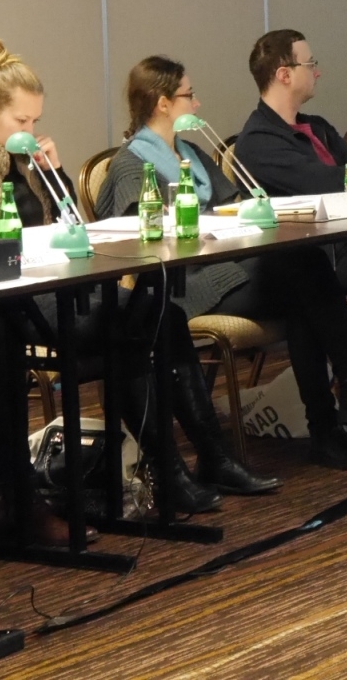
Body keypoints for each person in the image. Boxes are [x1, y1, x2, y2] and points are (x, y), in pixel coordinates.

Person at [0, 41, 260, 527]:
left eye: (36, 120)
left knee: (160, 311)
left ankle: (211, 455)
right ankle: (167, 471)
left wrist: (54, 173)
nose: (29, 130)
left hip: (50, 285)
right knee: (125, 322)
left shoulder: (24, 164)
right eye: (20, 121)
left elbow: (74, 230)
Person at [88, 55, 281, 493]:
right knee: (299, 277)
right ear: (162, 103)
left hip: (222, 264)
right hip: (184, 284)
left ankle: (335, 416)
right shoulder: (133, 164)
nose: (197, 103)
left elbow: (234, 207)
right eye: (188, 95)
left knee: (302, 268)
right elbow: (137, 241)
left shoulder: (190, 153)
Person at [233, 29, 347, 467]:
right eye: (310, 64)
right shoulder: (257, 141)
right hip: (265, 269)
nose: (318, 72)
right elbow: (328, 182)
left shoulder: (316, 127)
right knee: (307, 272)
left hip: (328, 258)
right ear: (284, 74)